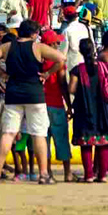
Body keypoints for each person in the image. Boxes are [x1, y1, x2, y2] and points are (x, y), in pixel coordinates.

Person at [0, 20, 66, 184]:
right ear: (34, 34)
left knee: (8, 133)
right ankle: (43, 174)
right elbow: (61, 58)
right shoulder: (38, 47)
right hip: (34, 94)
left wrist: (2, 73)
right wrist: (47, 74)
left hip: (13, 94)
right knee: (38, 134)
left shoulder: (7, 47)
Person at [68, 37, 108, 183]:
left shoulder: (77, 70)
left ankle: (89, 175)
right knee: (103, 142)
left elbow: (71, 89)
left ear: (80, 51)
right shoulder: (103, 67)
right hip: (103, 109)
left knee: (86, 144)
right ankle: (102, 175)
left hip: (84, 109)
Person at [40, 29, 73, 182]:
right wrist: (69, 105)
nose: (59, 45)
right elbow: (62, 83)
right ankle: (67, 173)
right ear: (51, 44)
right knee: (61, 139)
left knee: (44, 140)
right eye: (56, 42)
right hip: (56, 104)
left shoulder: (38, 61)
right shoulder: (58, 61)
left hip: (40, 105)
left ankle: (48, 172)